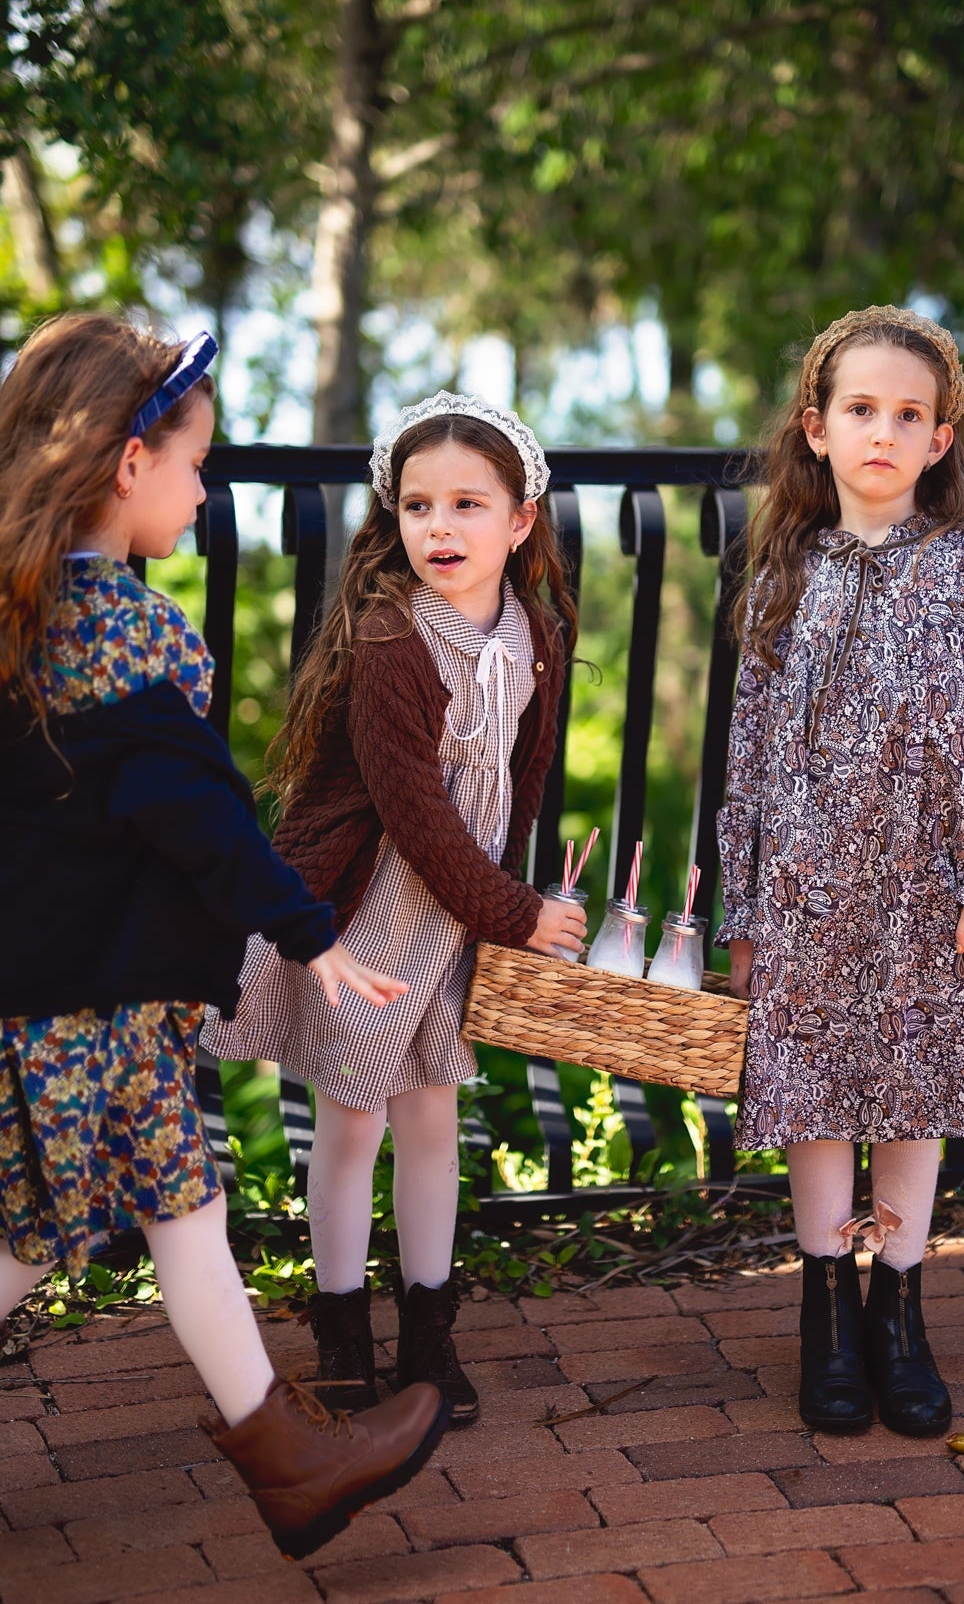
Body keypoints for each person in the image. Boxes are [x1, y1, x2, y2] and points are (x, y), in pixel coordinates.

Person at [0, 314, 451, 1562]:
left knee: (178, 1205)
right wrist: (311, 937)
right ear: (126, 467)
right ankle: (288, 1454)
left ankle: (288, 1458)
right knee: (32, 1231)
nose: (205, 489)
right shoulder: (125, 636)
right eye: (196, 463)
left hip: (96, 990)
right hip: (88, 999)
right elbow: (203, 820)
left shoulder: (30, 620)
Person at [203, 390, 583, 1423]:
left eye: (468, 505)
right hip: (374, 915)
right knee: (354, 1122)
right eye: (419, 507)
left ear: (518, 521)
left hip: (456, 920)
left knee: (431, 1123)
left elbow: (519, 782)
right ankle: (339, 1329)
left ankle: (429, 1336)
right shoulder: (389, 640)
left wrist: (500, 911)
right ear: (395, 517)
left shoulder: (535, 634)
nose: (441, 528)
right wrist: (518, 912)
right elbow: (417, 818)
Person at [718, 305, 964, 1437]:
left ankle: (898, 1310)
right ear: (817, 430)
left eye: (908, 415)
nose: (882, 431)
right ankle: (825, 1307)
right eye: (860, 410)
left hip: (925, 889)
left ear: (942, 437)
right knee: (812, 1092)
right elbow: (750, 750)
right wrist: (746, 902)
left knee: (913, 1090)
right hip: (806, 894)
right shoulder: (783, 571)